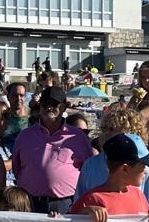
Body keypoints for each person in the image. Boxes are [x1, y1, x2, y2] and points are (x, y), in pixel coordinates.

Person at [11, 85, 91, 214]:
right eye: (45, 104)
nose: (49, 108)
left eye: (54, 104)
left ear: (64, 107)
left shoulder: (78, 137)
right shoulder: (24, 136)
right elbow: (17, 168)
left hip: (65, 203)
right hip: (29, 202)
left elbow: (88, 170)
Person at [69, 134, 149, 222]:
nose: (146, 171)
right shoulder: (91, 199)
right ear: (125, 169)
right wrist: (82, 214)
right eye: (143, 166)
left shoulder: (139, 195)